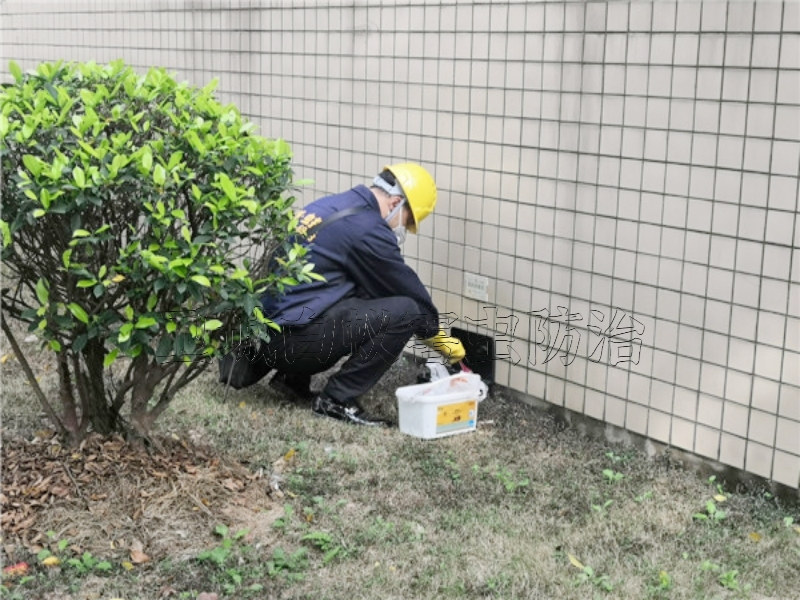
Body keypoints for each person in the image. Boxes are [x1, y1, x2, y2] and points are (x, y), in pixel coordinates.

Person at [257, 162, 465, 426]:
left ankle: (291, 379)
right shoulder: (367, 228)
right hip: (292, 346)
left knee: (359, 287)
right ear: (395, 203)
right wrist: (437, 335)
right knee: (408, 311)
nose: (402, 227)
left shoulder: (331, 205)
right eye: (408, 220)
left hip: (269, 337)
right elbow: (404, 286)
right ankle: (336, 400)